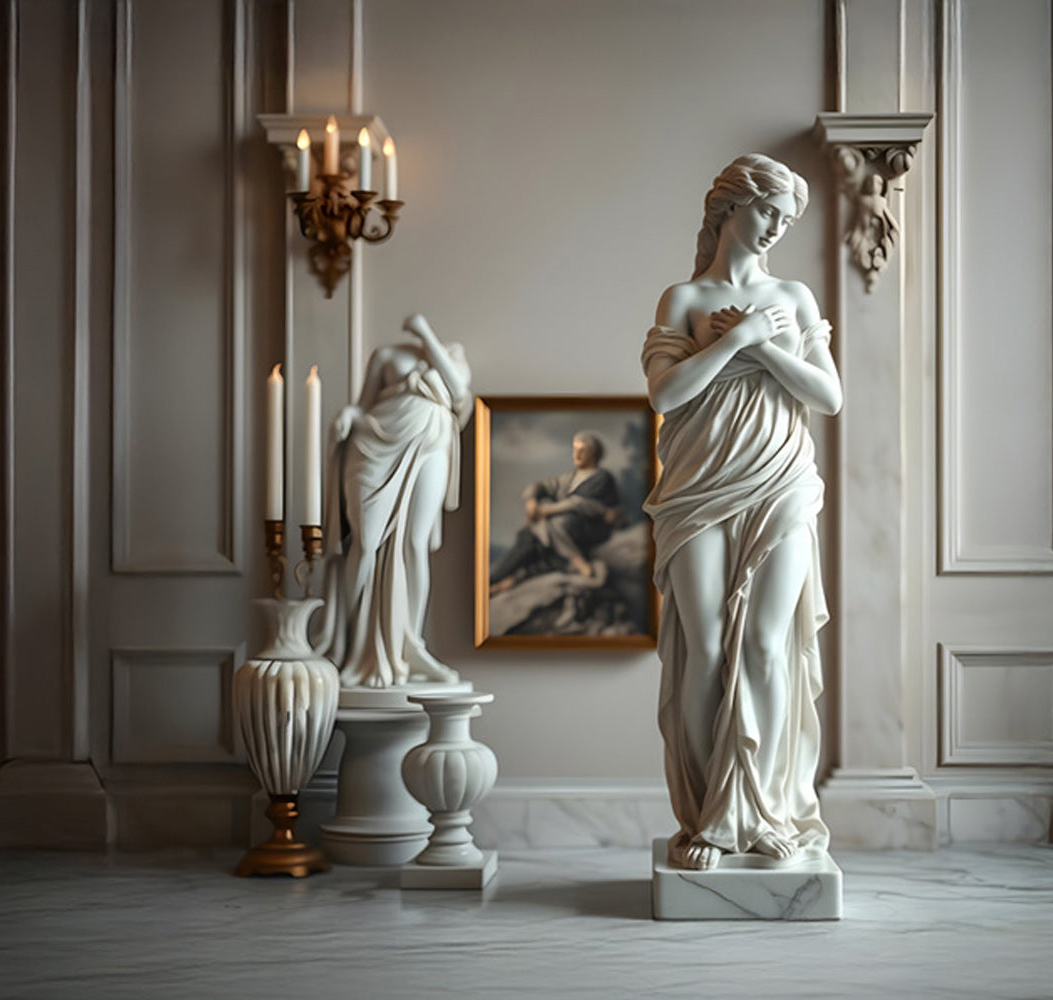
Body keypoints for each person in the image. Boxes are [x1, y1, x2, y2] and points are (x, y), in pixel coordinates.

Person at [642, 153, 842, 871]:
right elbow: (666, 397)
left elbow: (827, 396)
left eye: (787, 222)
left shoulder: (794, 295)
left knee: (764, 644)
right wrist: (736, 341)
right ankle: (706, 818)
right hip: (697, 489)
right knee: (704, 647)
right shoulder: (683, 301)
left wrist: (762, 348)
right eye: (768, 214)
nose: (776, 231)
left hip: (781, 480)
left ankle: (762, 810)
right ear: (730, 206)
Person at [316, 314, 472, 688]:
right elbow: (363, 404)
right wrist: (347, 415)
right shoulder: (385, 355)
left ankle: (409, 646)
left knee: (416, 543)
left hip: (431, 442)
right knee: (366, 543)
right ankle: (356, 645)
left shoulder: (452, 354)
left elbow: (457, 393)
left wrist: (424, 332)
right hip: (375, 441)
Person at [489, 432, 623, 594]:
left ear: (593, 454)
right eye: (575, 449)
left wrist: (545, 510)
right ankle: (499, 579)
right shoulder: (569, 477)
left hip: (588, 529)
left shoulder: (601, 477)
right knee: (529, 536)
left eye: (583, 450)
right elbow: (541, 486)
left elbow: (580, 504)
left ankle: (575, 560)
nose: (577, 454)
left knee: (552, 524)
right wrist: (531, 499)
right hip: (561, 532)